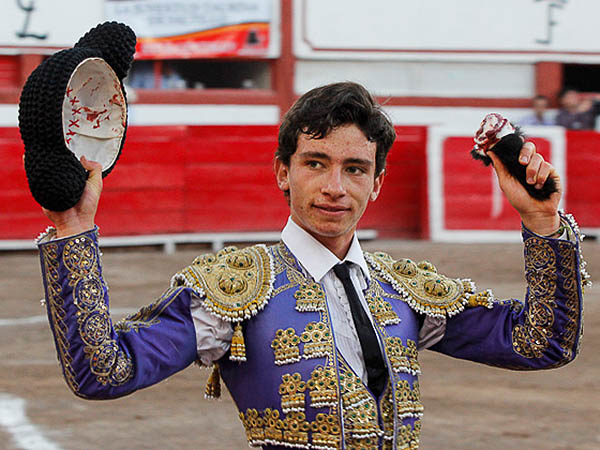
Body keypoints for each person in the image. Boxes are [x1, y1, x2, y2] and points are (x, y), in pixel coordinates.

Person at [36, 82, 588, 449]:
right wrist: (74, 232)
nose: (333, 188)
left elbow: (542, 343)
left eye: (354, 169)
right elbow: (104, 371)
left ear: (376, 184)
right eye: (316, 163)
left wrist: (542, 222)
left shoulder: (406, 291)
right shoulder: (232, 291)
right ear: (284, 172)